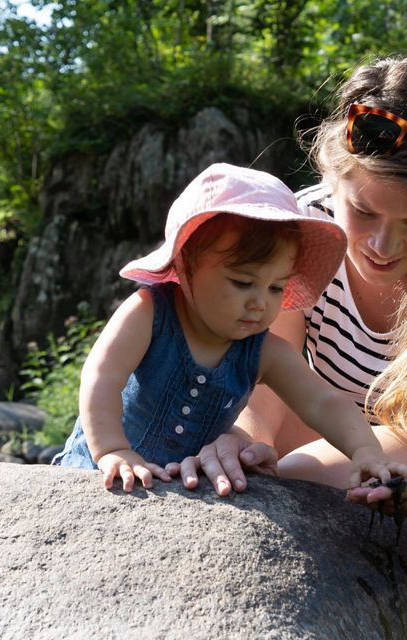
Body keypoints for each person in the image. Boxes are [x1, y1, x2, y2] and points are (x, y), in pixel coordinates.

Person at [52, 162, 407, 493]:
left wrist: (365, 451)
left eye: (275, 288)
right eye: (241, 283)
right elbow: (102, 376)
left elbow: (323, 401)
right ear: (186, 264)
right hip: (100, 469)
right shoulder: (150, 312)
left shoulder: (261, 349)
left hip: (191, 484)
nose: (260, 303)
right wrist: (112, 449)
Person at [173, 56, 407, 503]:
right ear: (330, 176)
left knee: (300, 473)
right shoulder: (303, 232)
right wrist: (245, 436)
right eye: (363, 211)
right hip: (339, 413)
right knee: (235, 462)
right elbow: (272, 368)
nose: (383, 244)